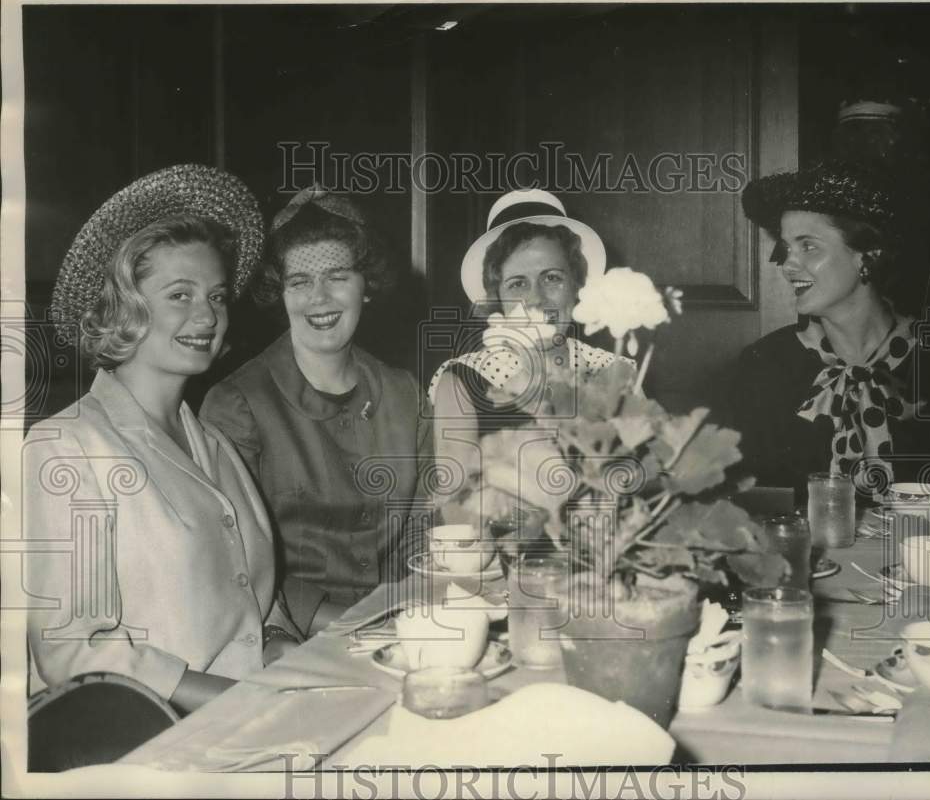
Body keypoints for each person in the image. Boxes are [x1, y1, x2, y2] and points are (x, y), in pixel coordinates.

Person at [26, 164, 302, 714]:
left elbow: (252, 602)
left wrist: (285, 648)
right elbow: (74, 651)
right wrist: (242, 703)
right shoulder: (64, 448)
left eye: (218, 296)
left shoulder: (213, 445)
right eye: (180, 294)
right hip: (140, 739)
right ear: (124, 307)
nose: (208, 316)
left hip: (245, 723)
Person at [200, 187, 432, 630]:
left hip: (400, 623)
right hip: (287, 637)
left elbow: (422, 532)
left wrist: (406, 611)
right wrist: (352, 623)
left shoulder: (405, 394)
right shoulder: (235, 405)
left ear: (366, 287)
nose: (319, 297)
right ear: (280, 293)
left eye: (338, 276)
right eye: (300, 281)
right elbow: (232, 566)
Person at [731, 159, 930, 508]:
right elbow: (751, 507)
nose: (787, 266)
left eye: (808, 246)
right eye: (786, 248)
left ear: (868, 256)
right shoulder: (764, 365)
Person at [428, 189, 634, 522]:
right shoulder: (462, 380)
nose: (536, 299)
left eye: (552, 278)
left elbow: (637, 486)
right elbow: (456, 508)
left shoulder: (615, 371)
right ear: (497, 298)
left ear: (577, 287)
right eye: (518, 284)